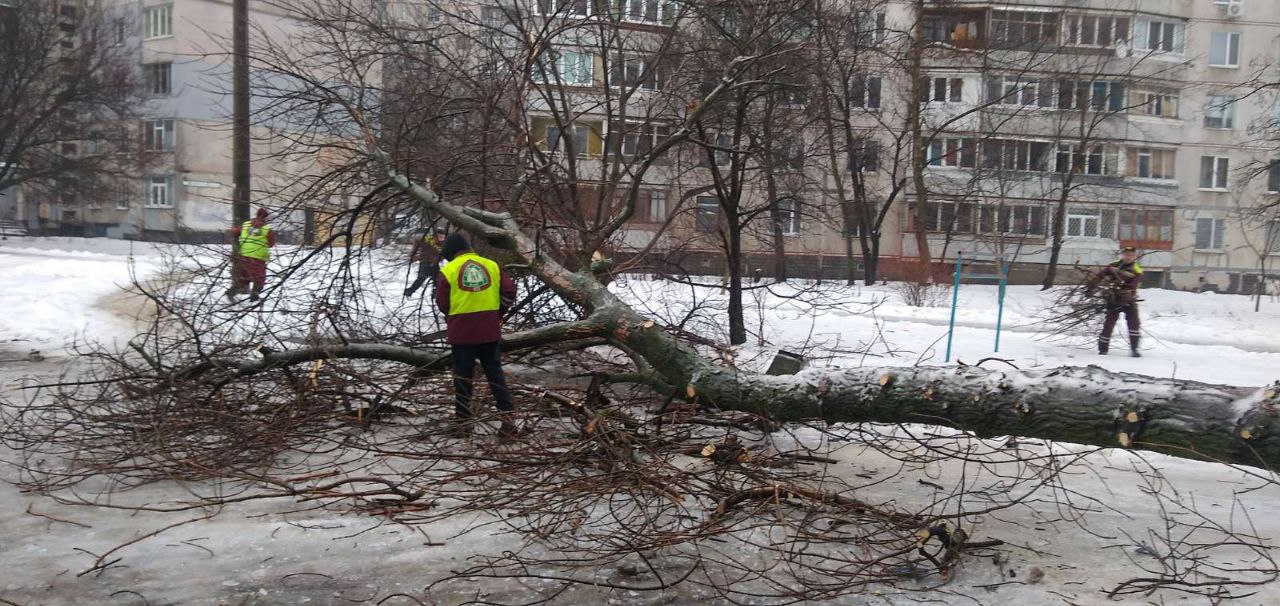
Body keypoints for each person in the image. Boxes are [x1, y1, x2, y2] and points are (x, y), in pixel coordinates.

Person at [434, 233, 519, 438]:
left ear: (451, 252)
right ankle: (508, 423)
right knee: (496, 376)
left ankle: (463, 425)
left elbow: (442, 303)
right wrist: (496, 314)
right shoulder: (491, 265)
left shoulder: (449, 270)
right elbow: (509, 291)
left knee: (463, 379)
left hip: (462, 334)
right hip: (489, 332)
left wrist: (454, 317)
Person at [1087, 246, 1143, 357]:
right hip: (1113, 299)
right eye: (1126, 254)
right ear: (1122, 255)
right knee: (1108, 324)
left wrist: (1123, 285)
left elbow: (1134, 285)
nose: (1128, 257)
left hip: (1128, 300)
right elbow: (1100, 276)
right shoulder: (1113, 265)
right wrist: (1090, 288)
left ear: (1134, 257)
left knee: (1134, 324)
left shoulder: (1138, 270)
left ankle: (1134, 349)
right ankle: (1103, 349)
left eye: (1130, 255)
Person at [226, 208, 276, 302]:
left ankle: (232, 292)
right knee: (259, 278)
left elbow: (234, 232)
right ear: (266, 218)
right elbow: (271, 244)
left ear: (256, 214)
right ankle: (254, 297)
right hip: (257, 259)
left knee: (243, 277)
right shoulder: (267, 229)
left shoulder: (246, 225)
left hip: (243, 256)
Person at [403, 229, 445, 298]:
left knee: (438, 278)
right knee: (422, 277)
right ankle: (410, 291)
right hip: (425, 261)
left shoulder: (443, 244)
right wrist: (413, 255)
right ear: (434, 236)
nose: (440, 239)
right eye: (439, 236)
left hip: (435, 263)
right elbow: (417, 241)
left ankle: (435, 294)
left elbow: (444, 254)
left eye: (442, 237)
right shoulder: (427, 240)